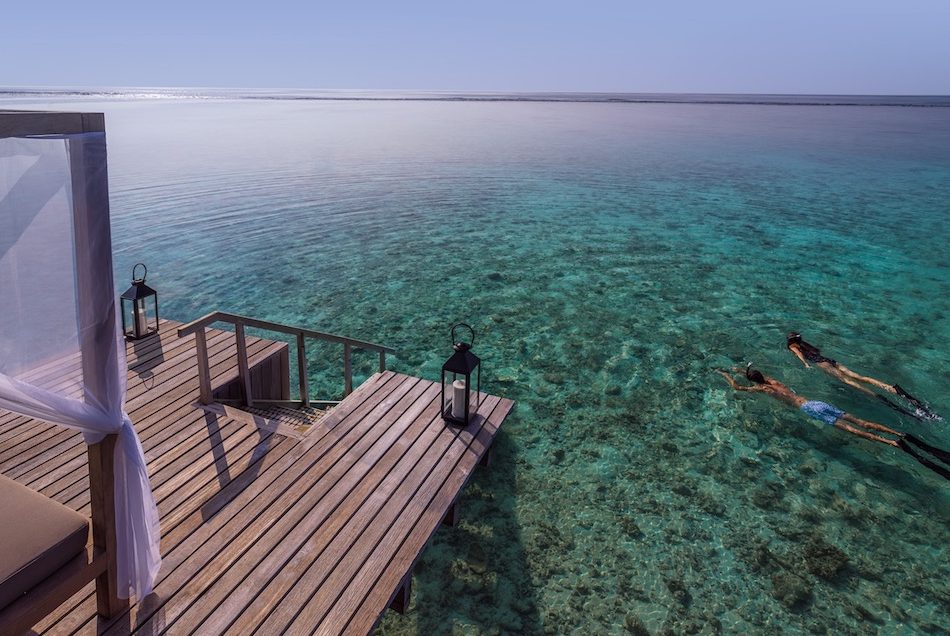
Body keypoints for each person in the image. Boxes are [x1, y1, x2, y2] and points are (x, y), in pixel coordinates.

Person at [718, 364, 949, 479]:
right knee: (860, 421)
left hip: (809, 410)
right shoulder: (775, 382)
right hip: (816, 402)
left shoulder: (765, 391)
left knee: (852, 431)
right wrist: (745, 369)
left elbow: (738, 388)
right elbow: (759, 377)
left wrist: (727, 375)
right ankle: (899, 434)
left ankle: (890, 443)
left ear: (755, 382)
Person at [786, 332, 940, 421]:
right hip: (830, 361)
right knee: (859, 376)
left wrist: (805, 364)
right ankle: (891, 388)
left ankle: (878, 397)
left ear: (791, 341)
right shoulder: (805, 343)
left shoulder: (793, 346)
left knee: (849, 382)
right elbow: (817, 350)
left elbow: (799, 354)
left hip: (822, 364)